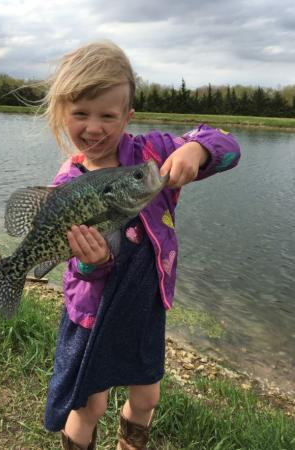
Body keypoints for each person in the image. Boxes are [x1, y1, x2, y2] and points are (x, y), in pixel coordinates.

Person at [43, 41, 240, 450]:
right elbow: (71, 265)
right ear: (63, 114)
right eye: (80, 114)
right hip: (91, 312)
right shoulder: (67, 184)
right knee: (88, 405)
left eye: (107, 116)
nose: (93, 127)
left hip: (145, 304)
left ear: (127, 116)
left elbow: (228, 145)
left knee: (147, 396)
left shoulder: (151, 156)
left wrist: (197, 147)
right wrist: (89, 263)